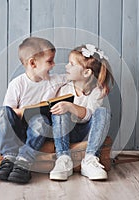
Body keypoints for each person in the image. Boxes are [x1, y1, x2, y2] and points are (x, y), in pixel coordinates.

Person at [0, 37, 67, 184]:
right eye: (49, 61)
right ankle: (9, 157)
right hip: (19, 130)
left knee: (40, 120)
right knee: (2, 111)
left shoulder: (55, 80)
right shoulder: (17, 84)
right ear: (32, 63)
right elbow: (9, 113)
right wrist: (25, 110)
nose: (53, 65)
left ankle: (24, 161)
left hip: (39, 131)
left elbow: (77, 77)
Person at [49, 44, 114, 181]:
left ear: (86, 73)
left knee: (103, 112)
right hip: (66, 131)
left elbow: (90, 115)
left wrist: (71, 107)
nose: (66, 66)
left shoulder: (96, 92)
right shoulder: (64, 88)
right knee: (60, 110)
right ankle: (63, 159)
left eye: (71, 64)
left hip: (87, 133)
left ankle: (90, 159)